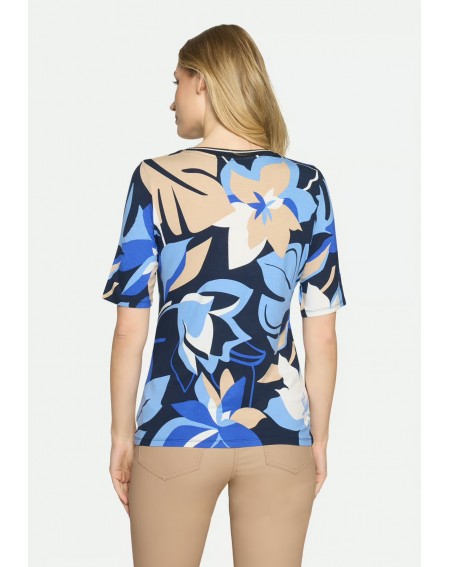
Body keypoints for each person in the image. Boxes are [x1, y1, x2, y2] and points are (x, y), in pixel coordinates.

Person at [101, 23, 347, 567]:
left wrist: (121, 435)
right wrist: (317, 438)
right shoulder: (307, 185)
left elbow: (128, 329)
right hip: (279, 431)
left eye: (176, 82)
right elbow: (323, 334)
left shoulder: (155, 180)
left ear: (203, 82)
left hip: (174, 425)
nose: (171, 101)